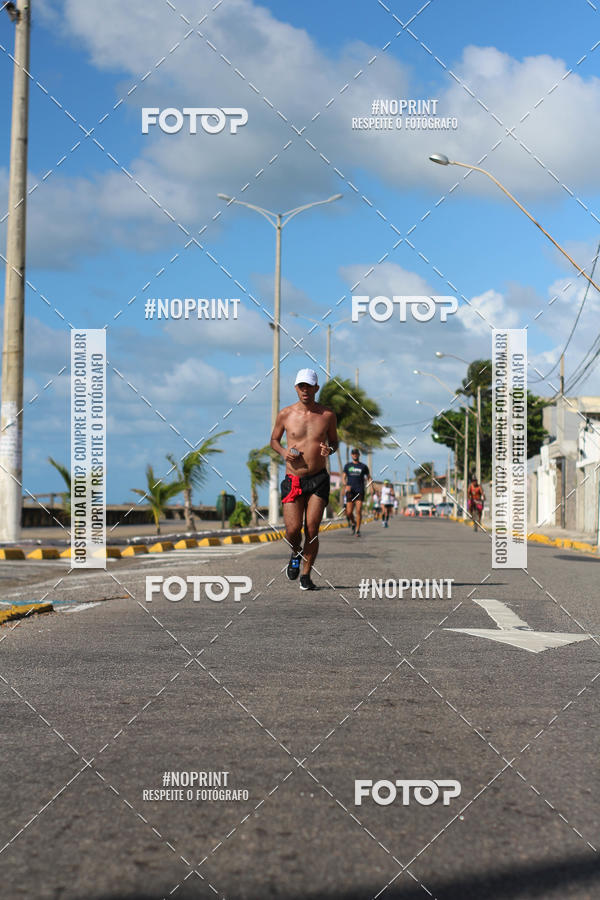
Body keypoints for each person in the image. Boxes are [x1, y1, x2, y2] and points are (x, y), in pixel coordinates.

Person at [270, 368, 338, 590]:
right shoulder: (285, 414)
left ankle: (306, 575)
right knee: (291, 530)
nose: (305, 390)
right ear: (296, 388)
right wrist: (283, 452)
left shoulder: (327, 415)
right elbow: (274, 440)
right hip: (294, 479)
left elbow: (335, 442)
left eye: (309, 386)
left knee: (311, 528)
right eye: (302, 386)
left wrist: (330, 449)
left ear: (316, 388)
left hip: (318, 479)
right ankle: (295, 553)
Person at [343, 448, 370, 537]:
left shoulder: (363, 466)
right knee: (349, 512)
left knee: (358, 510)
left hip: (359, 490)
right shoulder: (347, 466)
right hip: (350, 491)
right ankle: (353, 523)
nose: (355, 455)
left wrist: (372, 487)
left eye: (356, 454)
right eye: (353, 454)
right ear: (351, 455)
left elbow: (369, 477)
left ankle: (358, 530)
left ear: (358, 455)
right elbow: (343, 478)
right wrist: (345, 485)